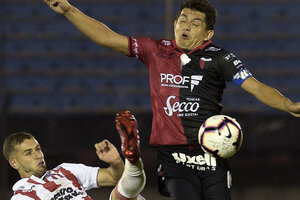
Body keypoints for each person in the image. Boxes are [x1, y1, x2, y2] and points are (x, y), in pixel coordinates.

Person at [42, 0, 300, 199]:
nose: (185, 26)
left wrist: (288, 105)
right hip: (173, 156)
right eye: (182, 19)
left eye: (195, 23)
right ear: (175, 22)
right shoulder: (156, 50)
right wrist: (69, 10)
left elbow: (255, 87)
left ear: (208, 33)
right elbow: (107, 37)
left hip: (212, 153)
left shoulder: (220, 58)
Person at [2, 110, 146, 200]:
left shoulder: (65, 170)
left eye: (38, 149)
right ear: (14, 163)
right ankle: (133, 162)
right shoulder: (23, 196)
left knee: (128, 192)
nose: (38, 155)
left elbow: (115, 177)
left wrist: (115, 161)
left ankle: (132, 159)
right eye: (28, 153)